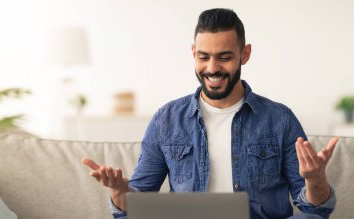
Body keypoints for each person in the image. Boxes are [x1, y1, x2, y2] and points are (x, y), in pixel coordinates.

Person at [82, 8, 338, 219]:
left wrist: (316, 180)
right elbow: (132, 209)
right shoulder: (166, 120)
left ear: (244, 54)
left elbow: (315, 211)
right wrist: (119, 192)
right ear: (193, 53)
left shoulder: (280, 120)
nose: (212, 68)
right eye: (203, 57)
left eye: (224, 57)